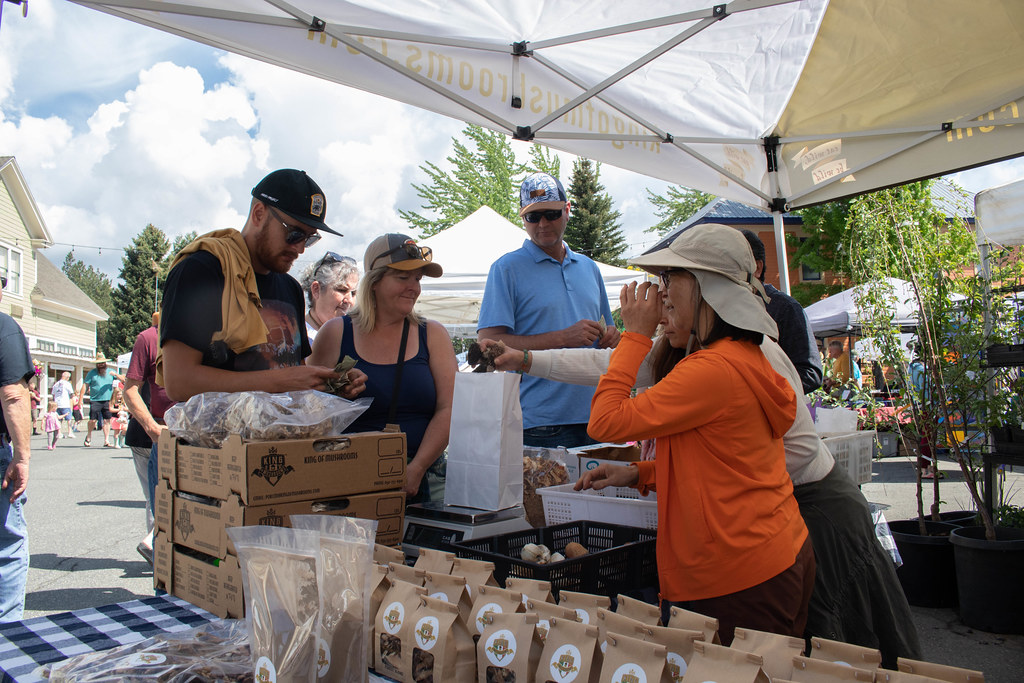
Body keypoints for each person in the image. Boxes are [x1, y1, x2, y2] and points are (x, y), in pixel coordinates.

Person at [576, 224, 813, 646]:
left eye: (671, 279)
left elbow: (605, 421)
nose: (661, 293)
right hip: (768, 554)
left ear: (706, 289)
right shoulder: (739, 355)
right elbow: (721, 462)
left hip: (734, 575)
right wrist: (639, 474)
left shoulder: (711, 369)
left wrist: (634, 335)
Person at [159, 168, 364, 401]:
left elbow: (293, 378)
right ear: (258, 214)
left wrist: (333, 383)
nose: (300, 248)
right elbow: (179, 382)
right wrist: (282, 381)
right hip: (219, 437)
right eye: (294, 234)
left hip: (279, 433)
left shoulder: (291, 289)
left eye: (309, 238)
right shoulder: (204, 270)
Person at [477, 172, 620, 449]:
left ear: (567, 211)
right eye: (533, 217)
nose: (542, 224)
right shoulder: (506, 269)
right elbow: (488, 344)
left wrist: (612, 336)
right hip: (541, 421)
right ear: (523, 218)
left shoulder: (589, 268)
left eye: (550, 214)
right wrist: (562, 338)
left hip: (599, 414)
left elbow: (607, 332)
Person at [310, 234, 457, 503]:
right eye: (403, 277)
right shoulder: (335, 333)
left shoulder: (432, 335)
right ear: (375, 282)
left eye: (418, 279)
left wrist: (417, 468)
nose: (414, 287)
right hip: (349, 481)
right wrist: (337, 393)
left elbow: (449, 408)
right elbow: (309, 407)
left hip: (421, 483)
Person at [741, 230, 823, 394]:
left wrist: (761, 391)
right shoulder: (720, 308)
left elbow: (810, 374)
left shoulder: (785, 308)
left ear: (757, 268)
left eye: (732, 265)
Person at [124, 312, 173, 566]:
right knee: (160, 509)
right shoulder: (148, 339)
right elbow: (129, 390)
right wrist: (153, 429)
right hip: (155, 438)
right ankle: (157, 556)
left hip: (190, 439)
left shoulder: (203, 334)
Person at [0, 276, 34, 622]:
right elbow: (13, 393)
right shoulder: (4, 326)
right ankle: (7, 642)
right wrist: (23, 457)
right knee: (6, 547)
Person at [300, 251, 359, 341]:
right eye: (342, 290)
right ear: (316, 290)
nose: (350, 300)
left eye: (353, 293)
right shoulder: (294, 340)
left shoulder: (355, 340)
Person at [77, 352, 126, 448]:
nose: (101, 365)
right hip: (95, 399)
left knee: (107, 420)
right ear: (96, 364)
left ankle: (106, 440)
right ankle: (89, 435)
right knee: (93, 420)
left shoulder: (110, 372)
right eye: (99, 363)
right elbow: (85, 385)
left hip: (108, 400)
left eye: (103, 363)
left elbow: (123, 380)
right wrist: (80, 399)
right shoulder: (92, 373)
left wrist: (115, 374)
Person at [50, 371, 75, 438]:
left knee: (59, 419)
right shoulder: (67, 384)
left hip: (57, 404)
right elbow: (71, 393)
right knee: (69, 419)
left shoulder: (56, 384)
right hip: (65, 403)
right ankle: (70, 432)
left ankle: (59, 433)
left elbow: (53, 394)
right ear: (67, 377)